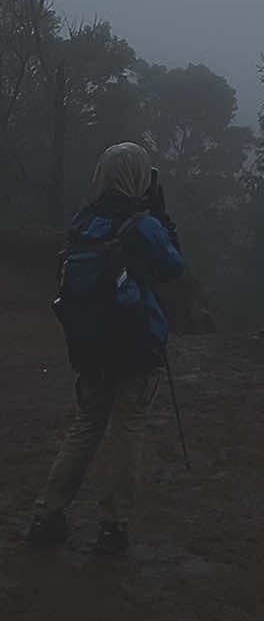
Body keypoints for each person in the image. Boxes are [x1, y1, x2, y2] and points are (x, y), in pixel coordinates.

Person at [26, 142, 183, 554]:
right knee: (127, 428)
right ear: (140, 179)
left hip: (90, 346)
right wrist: (161, 216)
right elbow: (173, 267)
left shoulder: (84, 221)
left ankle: (48, 513)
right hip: (135, 345)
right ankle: (112, 526)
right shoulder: (142, 225)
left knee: (87, 425)